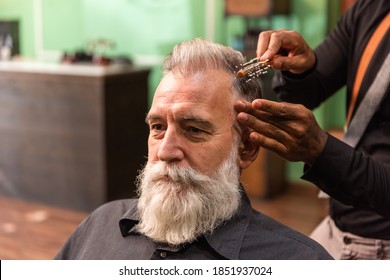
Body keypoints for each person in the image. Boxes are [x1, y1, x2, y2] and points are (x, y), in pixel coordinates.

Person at [54, 38, 332, 260]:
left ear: (246, 148)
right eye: (158, 127)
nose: (165, 151)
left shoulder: (299, 261)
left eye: (194, 130)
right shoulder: (99, 225)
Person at [234, 0, 390, 259]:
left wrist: (322, 151)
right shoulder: (371, 9)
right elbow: (311, 88)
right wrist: (299, 70)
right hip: (337, 224)